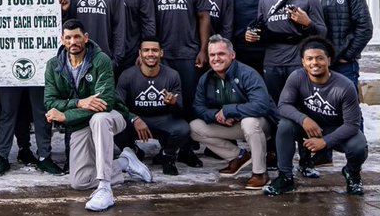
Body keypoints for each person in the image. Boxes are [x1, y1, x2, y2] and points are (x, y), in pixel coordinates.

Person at [44, 20, 151, 212]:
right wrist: (79, 102)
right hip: (81, 122)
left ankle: (105, 188)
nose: (73, 41)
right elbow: (50, 102)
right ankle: (124, 162)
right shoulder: (53, 65)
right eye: (68, 38)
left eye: (77, 36)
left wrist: (66, 116)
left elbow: (105, 103)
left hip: (112, 116)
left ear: (86, 38)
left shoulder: (101, 60)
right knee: (80, 182)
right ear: (62, 40)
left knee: (99, 118)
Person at [266, 36, 367, 196]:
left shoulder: (345, 86)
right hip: (307, 127)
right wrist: (304, 119)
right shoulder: (297, 77)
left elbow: (352, 125)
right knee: (285, 126)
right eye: (310, 59)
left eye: (320, 58)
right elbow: (283, 106)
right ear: (303, 62)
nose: (314, 63)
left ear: (329, 60)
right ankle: (285, 177)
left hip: (335, 129)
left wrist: (325, 142)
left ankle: (352, 174)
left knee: (358, 145)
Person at [190, 35, 274, 190]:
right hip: (233, 126)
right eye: (212, 55)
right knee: (194, 127)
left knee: (249, 122)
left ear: (232, 55)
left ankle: (260, 172)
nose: (216, 58)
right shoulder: (206, 78)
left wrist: (229, 111)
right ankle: (238, 156)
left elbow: (262, 106)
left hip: (261, 125)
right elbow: (198, 107)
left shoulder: (247, 74)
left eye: (221, 54)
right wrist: (216, 115)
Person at [116, 38, 196, 175]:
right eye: (146, 50)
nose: (150, 54)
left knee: (183, 128)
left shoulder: (172, 75)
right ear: (140, 53)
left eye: (155, 50)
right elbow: (118, 106)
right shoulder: (127, 75)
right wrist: (134, 118)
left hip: (163, 120)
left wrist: (173, 104)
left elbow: (180, 111)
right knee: (114, 124)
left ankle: (167, 156)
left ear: (161, 53)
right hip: (137, 120)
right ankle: (132, 152)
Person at [307, 0, 372, 86]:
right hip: (314, 62)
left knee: (347, 105)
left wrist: (347, 55)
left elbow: (365, 27)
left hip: (343, 64)